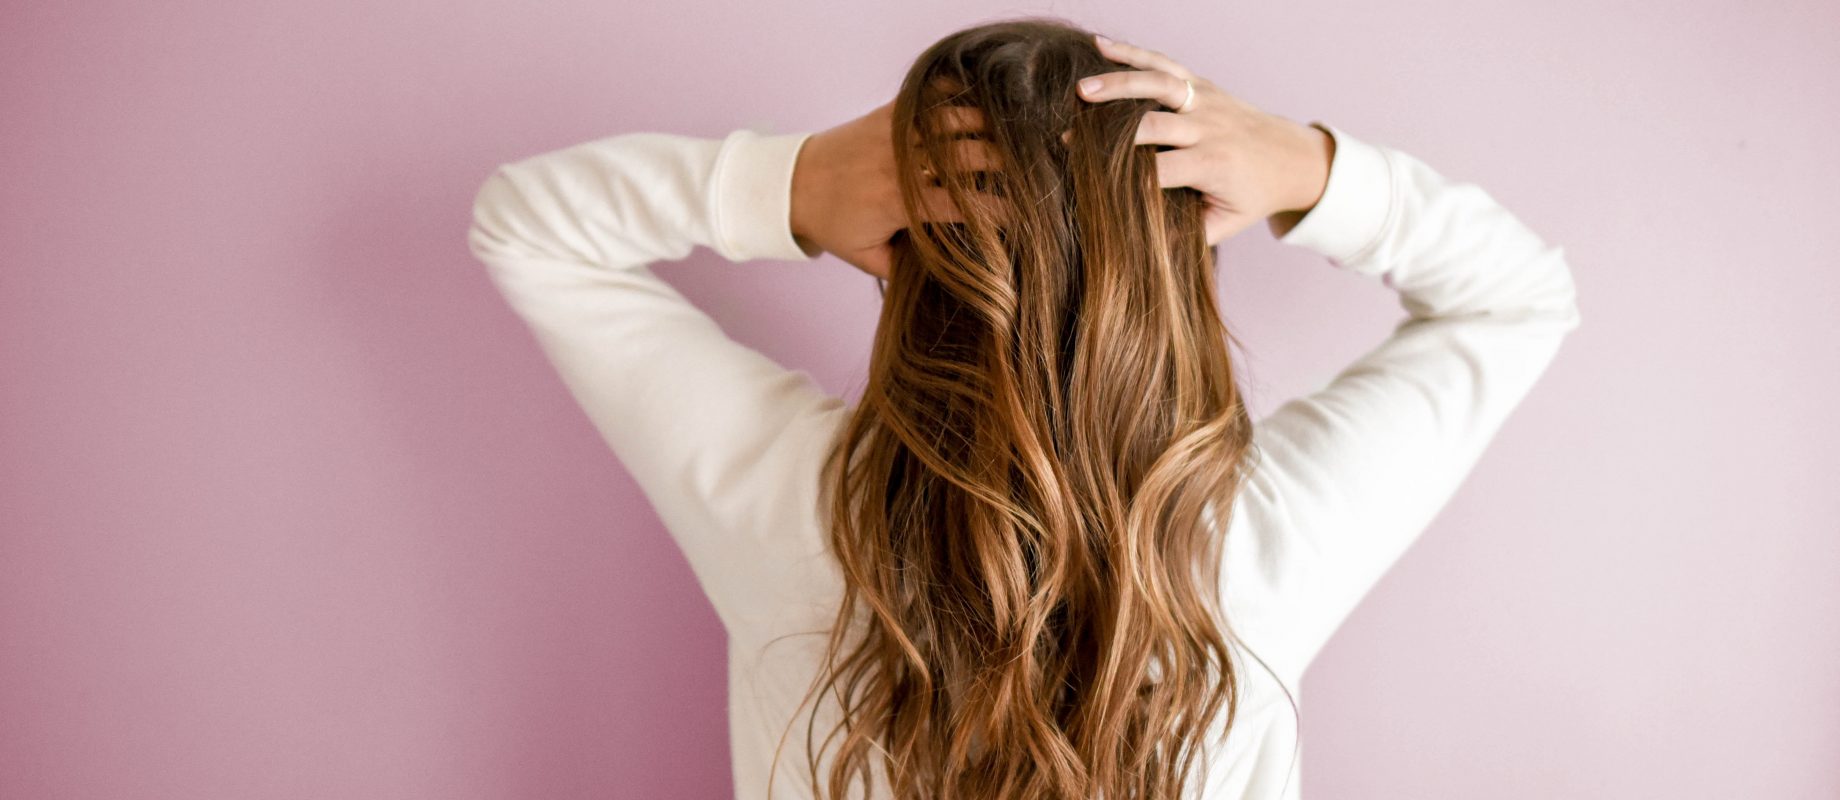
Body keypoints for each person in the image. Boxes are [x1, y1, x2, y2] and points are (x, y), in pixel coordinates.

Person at [465, 17, 1580, 800]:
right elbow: (1519, 299)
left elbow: (525, 224)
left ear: (897, 254)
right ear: (1174, 271)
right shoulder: (1252, 548)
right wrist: (1309, 168)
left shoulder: (797, 515)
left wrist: (792, 181)